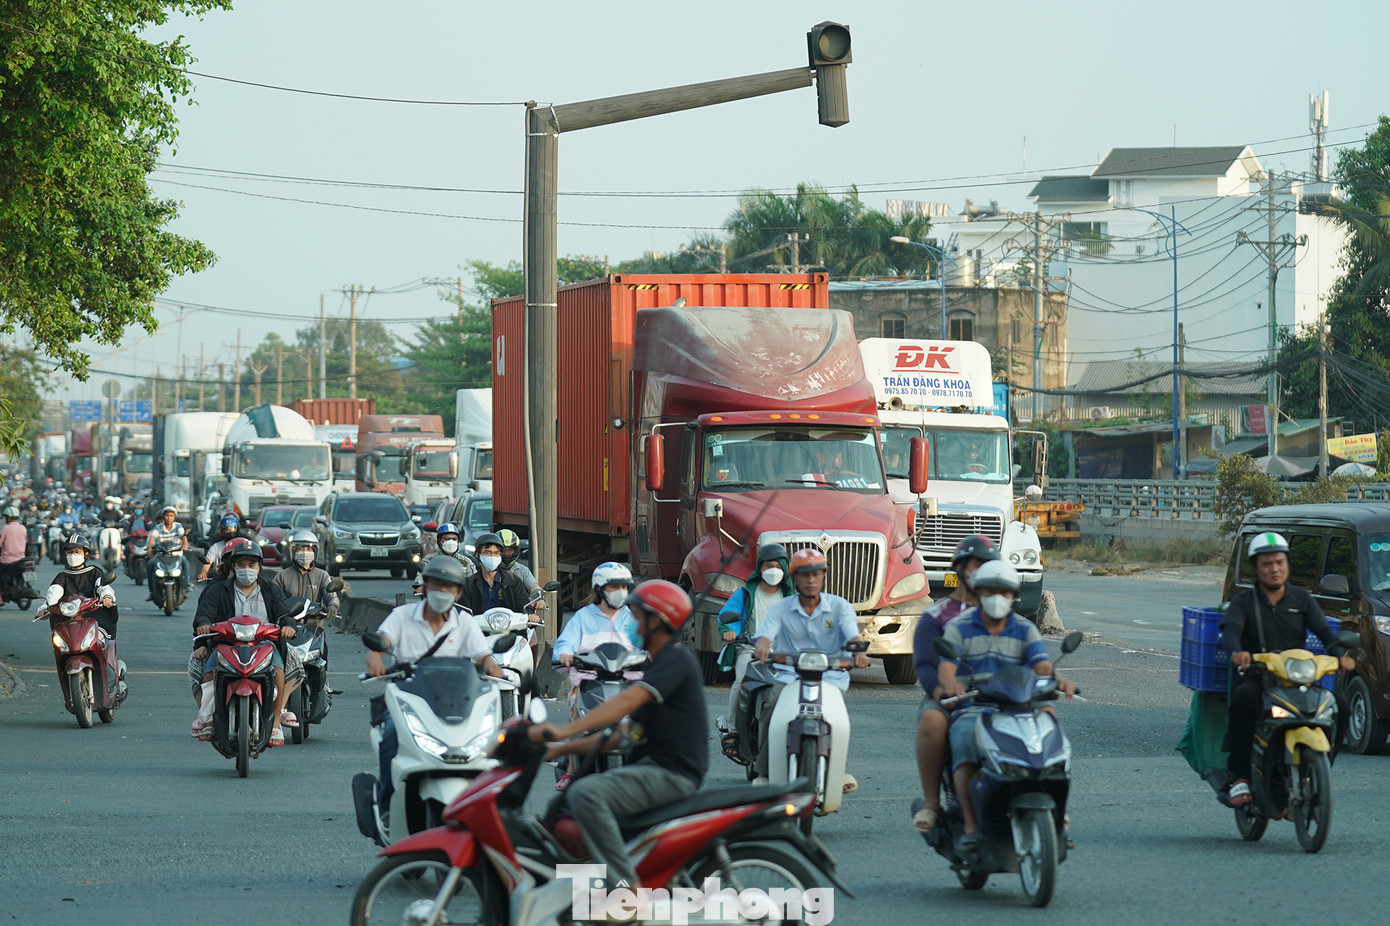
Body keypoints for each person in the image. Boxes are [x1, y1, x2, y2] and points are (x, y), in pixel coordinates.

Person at [529, 580, 706, 893]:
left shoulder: (675, 660)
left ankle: (627, 890)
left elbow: (626, 702)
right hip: (650, 767)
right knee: (569, 799)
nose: (633, 625)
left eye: (637, 618)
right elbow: (624, 732)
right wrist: (560, 749)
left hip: (670, 773)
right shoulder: (657, 663)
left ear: (656, 621)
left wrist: (563, 729)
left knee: (586, 795)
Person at [936, 560, 1076, 858]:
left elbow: (1041, 664)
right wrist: (952, 685)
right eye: (990, 590)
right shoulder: (959, 628)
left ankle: (1056, 814)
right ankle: (972, 827)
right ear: (978, 592)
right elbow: (946, 668)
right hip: (976, 707)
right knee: (963, 748)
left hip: (1021, 706)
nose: (997, 597)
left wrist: (1058, 680)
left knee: (1052, 729)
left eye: (1004, 591)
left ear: (1014, 595)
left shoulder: (1025, 629)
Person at [1220, 532, 1354, 806]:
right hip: (1259, 677)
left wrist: (1340, 657)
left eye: (1279, 562)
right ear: (1256, 568)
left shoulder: (1301, 599)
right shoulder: (1243, 602)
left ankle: (1320, 768)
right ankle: (1240, 777)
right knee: (1244, 699)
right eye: (1267, 564)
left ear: (1287, 564)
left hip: (1295, 678)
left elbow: (1326, 633)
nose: (1274, 568)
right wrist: (1238, 653)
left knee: (1340, 705)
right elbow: (1231, 631)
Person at [366, 556, 504, 814]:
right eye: (436, 584)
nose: (442, 591)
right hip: (409, 699)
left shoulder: (464, 622)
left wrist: (497, 670)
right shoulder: (402, 615)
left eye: (449, 586)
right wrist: (375, 658)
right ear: (425, 585)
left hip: (456, 701)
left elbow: (483, 656)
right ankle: (386, 807)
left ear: (458, 592)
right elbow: (381, 641)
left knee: (492, 741)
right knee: (391, 738)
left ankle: (494, 807)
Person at [752, 548, 870, 790]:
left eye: (816, 574)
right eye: (805, 575)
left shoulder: (839, 607)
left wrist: (859, 653)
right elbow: (765, 635)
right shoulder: (781, 608)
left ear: (824, 575)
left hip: (830, 677)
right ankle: (763, 770)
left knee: (836, 719)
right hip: (790, 675)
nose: (811, 580)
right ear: (794, 578)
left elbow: (852, 635)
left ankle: (841, 769)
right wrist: (762, 646)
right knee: (771, 709)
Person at [911, 535, 999, 833]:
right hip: (953, 697)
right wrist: (940, 692)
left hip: (1000, 696)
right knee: (932, 722)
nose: (983, 571)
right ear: (960, 568)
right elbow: (924, 664)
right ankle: (932, 803)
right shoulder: (936, 616)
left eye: (990, 565)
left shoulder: (1002, 614)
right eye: (978, 564)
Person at [190, 538, 299, 746]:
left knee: (279, 672)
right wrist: (204, 626)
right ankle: (209, 719)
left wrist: (287, 625)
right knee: (207, 672)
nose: (246, 569)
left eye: (251, 565)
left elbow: (284, 614)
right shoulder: (218, 590)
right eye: (241, 565)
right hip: (226, 644)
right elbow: (203, 615)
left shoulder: (271, 590)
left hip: (264, 645)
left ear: (259, 567)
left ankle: (275, 724)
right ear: (234, 566)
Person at [550, 561, 636, 789]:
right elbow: (565, 642)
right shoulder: (582, 617)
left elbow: (647, 645)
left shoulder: (632, 619)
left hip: (628, 684)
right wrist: (565, 654)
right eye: (614, 587)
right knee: (576, 714)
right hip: (589, 684)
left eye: (624, 587)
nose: (621, 593)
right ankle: (570, 769)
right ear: (599, 589)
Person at [716, 543, 792, 756]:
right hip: (748, 649)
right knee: (741, 682)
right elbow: (728, 615)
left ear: (785, 569)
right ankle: (733, 731)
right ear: (760, 568)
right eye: (769, 565)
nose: (773, 570)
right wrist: (730, 631)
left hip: (783, 654)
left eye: (778, 565)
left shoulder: (791, 597)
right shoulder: (746, 593)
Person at [48, 534, 118, 639]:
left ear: (86, 554)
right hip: (68, 617)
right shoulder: (62, 576)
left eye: (77, 552)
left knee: (99, 638)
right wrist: (46, 607)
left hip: (93, 616)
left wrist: (107, 596)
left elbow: (103, 587)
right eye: (69, 552)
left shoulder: (94, 572)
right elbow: (53, 593)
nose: (73, 555)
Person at [458, 531, 530, 615]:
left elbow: (524, 606)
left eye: (496, 553)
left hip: (509, 627)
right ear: (477, 555)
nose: (492, 556)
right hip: (479, 627)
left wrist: (530, 615)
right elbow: (463, 612)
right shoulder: (469, 584)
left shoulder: (514, 581)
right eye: (487, 552)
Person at [273, 530, 341, 617]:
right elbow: (273, 598)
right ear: (293, 552)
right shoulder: (282, 576)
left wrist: (332, 605)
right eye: (300, 549)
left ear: (315, 552)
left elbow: (331, 596)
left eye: (309, 549)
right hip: (289, 624)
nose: (305, 553)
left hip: (314, 624)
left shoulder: (322, 575)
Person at [413, 522, 476, 596]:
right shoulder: (429, 560)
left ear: (458, 541)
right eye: (447, 539)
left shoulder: (466, 562)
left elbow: (475, 581)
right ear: (439, 541)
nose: (451, 542)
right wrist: (421, 586)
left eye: (454, 539)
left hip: (461, 601)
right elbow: (420, 578)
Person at [198, 512, 257, 581]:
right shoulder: (215, 547)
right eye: (227, 530)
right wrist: (203, 573)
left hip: (241, 580)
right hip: (219, 580)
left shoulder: (245, 544)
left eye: (232, 529)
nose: (230, 532)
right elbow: (207, 563)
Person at [146, 506, 190, 596]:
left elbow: (183, 536)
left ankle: (185, 587)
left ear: (174, 517)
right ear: (163, 516)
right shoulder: (158, 527)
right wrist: (149, 548)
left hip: (176, 555)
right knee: (149, 564)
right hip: (161, 555)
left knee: (186, 563)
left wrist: (185, 544)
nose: (169, 518)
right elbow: (152, 538)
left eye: (171, 516)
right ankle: (152, 591)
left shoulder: (178, 526)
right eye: (167, 515)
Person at [498, 528, 546, 609]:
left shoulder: (523, 570)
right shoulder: (488, 570)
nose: (506, 554)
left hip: (519, 614)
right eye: (503, 550)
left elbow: (534, 587)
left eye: (510, 550)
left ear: (516, 550)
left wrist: (539, 598)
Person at [0, 505, 28, 596]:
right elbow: (26, 541)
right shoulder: (23, 528)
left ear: (8, 517)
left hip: (7, 560)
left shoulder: (5, 528)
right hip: (21, 558)